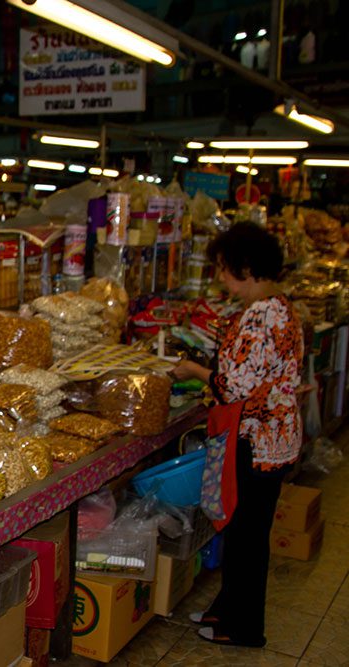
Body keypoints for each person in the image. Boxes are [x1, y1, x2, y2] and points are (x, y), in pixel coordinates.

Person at [172, 222, 303, 648]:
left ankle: (246, 628)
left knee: (247, 538)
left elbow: (235, 387)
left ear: (247, 268)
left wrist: (194, 371)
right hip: (275, 437)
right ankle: (226, 608)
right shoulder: (281, 307)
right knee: (245, 532)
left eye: (225, 270)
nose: (222, 279)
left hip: (257, 440)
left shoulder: (261, 315)